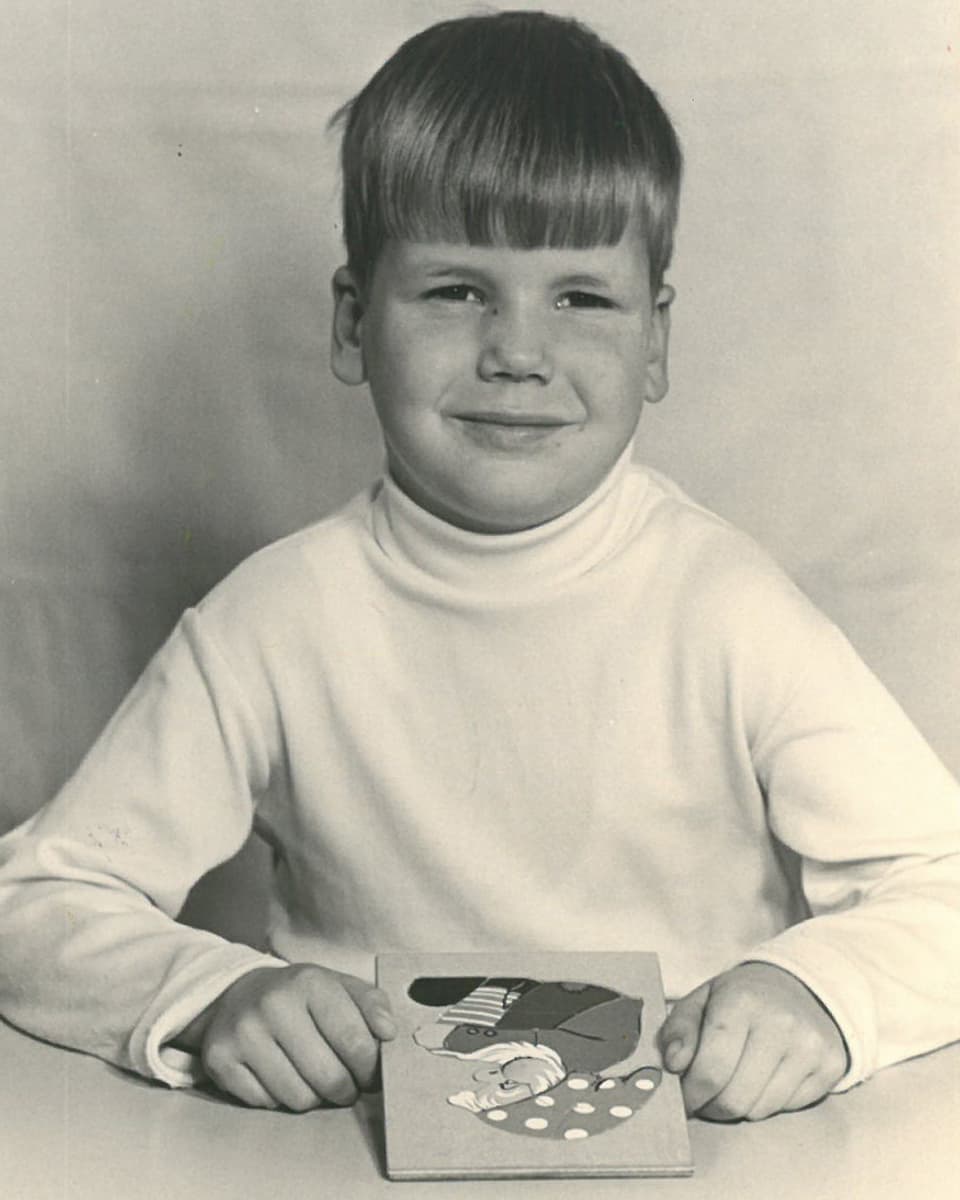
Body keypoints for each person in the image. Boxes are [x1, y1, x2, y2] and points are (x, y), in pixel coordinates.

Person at [1, 10, 959, 1125]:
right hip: (346, 1151)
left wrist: (817, 994)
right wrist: (217, 994)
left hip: (710, 1151)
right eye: (457, 290)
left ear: (656, 341)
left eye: (582, 298)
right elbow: (38, 897)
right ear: (356, 323)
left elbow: (947, 885)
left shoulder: (729, 610)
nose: (516, 353)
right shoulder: (274, 621)